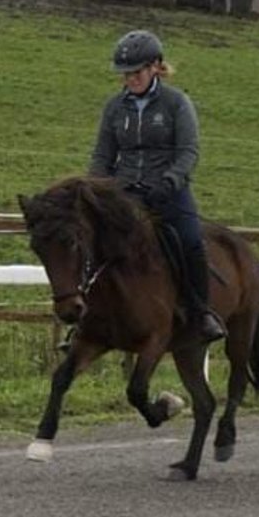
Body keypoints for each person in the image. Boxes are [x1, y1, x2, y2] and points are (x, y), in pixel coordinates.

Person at [88, 29, 226, 343]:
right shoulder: (114, 108)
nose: (130, 79)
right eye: (125, 74)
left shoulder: (176, 103)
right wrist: (97, 189)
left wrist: (170, 182)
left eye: (136, 72)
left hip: (167, 192)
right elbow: (102, 155)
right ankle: (90, 317)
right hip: (124, 195)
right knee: (92, 241)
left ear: (155, 67)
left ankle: (200, 311)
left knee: (191, 240)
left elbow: (188, 151)